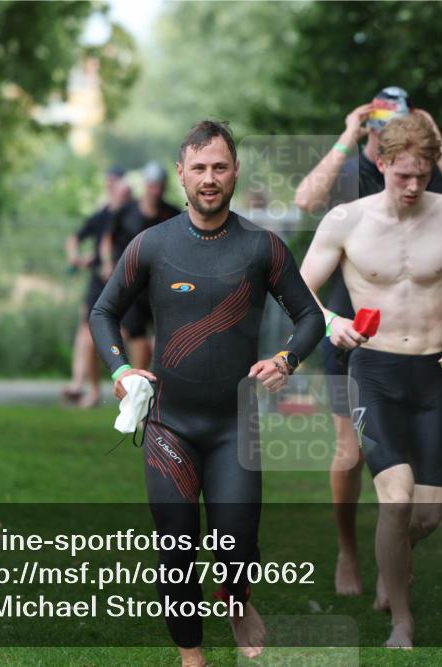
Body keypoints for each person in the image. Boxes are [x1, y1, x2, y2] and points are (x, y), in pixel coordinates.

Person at [90, 121, 325, 667]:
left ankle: (237, 597)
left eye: (220, 167)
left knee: (237, 548)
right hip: (170, 425)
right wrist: (122, 371)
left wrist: (287, 360)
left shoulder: (261, 247)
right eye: (199, 168)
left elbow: (310, 316)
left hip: (232, 427)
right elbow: (104, 311)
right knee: (176, 548)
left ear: (235, 171)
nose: (210, 178)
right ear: (181, 175)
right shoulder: (152, 245)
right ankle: (191, 656)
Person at [299, 113, 442, 648]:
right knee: (396, 497)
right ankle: (401, 623)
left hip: (431, 374)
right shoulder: (348, 219)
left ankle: (392, 564)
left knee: (427, 515)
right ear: (382, 163)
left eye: (423, 175)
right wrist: (331, 321)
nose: (413, 187)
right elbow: (298, 289)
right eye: (402, 176)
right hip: (372, 372)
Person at [99, 161, 182, 371]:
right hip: (132, 285)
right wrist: (108, 263)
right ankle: (138, 385)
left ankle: (153, 385)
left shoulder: (172, 214)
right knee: (138, 340)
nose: (155, 190)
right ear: (146, 185)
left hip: (160, 288)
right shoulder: (126, 211)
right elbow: (107, 239)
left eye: (159, 186)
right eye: (152, 185)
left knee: (165, 342)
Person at [63, 167, 131, 407]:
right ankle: (82, 384)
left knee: (129, 337)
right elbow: (75, 239)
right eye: (110, 183)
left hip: (127, 283)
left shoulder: (133, 214)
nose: (111, 187)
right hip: (99, 283)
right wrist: (76, 257)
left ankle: (134, 391)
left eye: (116, 183)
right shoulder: (102, 214)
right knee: (87, 333)